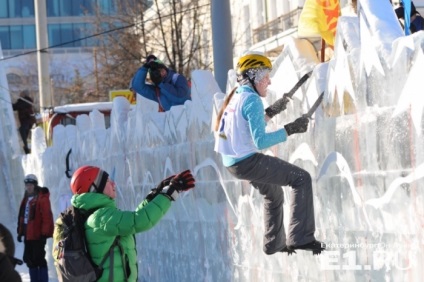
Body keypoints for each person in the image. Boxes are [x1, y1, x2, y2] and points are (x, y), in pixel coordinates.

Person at [214, 52, 325, 255]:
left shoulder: (236, 96)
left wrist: (271, 112)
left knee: (274, 194)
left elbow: (244, 129)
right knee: (301, 178)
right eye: (265, 76)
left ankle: (274, 244)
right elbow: (260, 141)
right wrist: (290, 129)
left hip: (232, 162)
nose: (269, 81)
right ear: (253, 76)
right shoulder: (252, 101)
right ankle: (301, 238)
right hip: (247, 161)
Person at [53, 166, 195, 281]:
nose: (114, 183)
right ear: (94, 188)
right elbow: (138, 221)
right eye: (108, 181)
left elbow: (130, 222)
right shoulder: (101, 218)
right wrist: (169, 194)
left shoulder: (97, 216)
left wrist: (155, 194)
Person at [17, 174, 54, 282]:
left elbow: (47, 216)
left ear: (35, 185)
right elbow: (23, 217)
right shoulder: (26, 199)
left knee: (39, 260)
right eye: (27, 185)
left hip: (38, 236)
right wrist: (20, 232)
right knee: (29, 259)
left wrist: (44, 234)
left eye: (31, 185)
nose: (28, 187)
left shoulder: (42, 198)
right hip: (28, 236)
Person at [12, 90, 36, 154]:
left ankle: (26, 148)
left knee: (22, 131)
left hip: (27, 121)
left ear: (24, 95)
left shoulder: (25, 101)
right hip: (28, 122)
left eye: (21, 93)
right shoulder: (24, 101)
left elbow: (15, 107)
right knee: (24, 134)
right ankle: (26, 148)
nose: (19, 94)